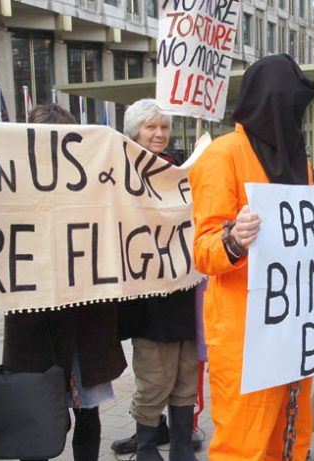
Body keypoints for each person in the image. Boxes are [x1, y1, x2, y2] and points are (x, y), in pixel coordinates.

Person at [188, 54, 314, 460]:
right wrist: (234, 240)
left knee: (292, 438)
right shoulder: (222, 155)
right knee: (244, 443)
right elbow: (203, 250)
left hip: (294, 326)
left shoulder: (304, 164)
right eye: (289, 106)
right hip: (244, 334)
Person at [2, 104, 127, 461]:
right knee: (36, 414)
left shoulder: (93, 188)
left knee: (87, 411)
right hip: (35, 326)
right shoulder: (10, 190)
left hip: (85, 322)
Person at [114, 99, 199, 461]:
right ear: (135, 132)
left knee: (186, 378)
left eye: (163, 127)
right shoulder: (119, 172)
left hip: (185, 293)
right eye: (151, 127)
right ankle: (147, 449)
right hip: (148, 301)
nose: (159, 134)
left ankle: (181, 448)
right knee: (153, 380)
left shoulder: (182, 171)